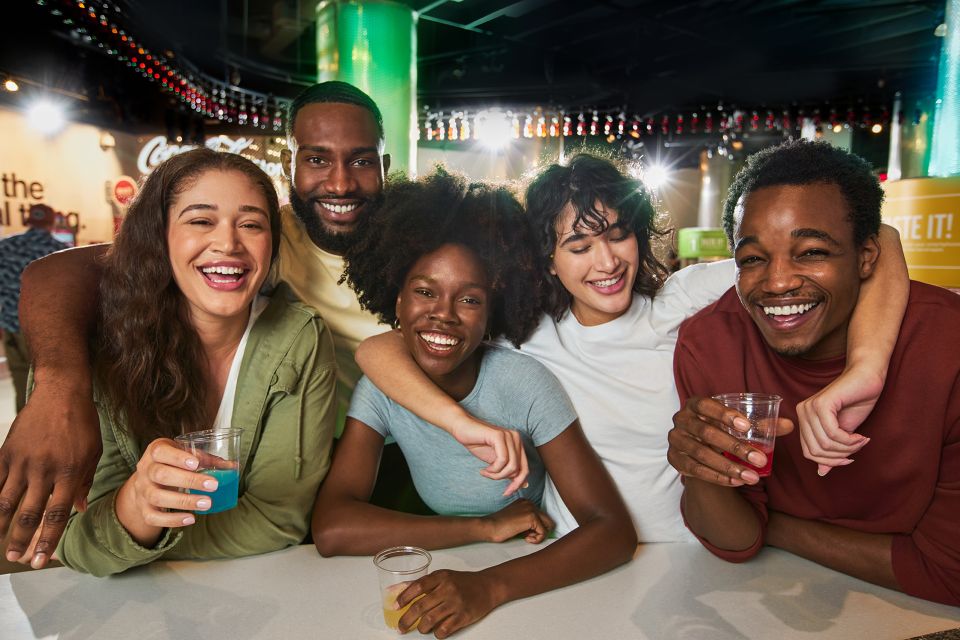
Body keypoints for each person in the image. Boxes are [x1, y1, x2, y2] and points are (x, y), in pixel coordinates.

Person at [0, 81, 524, 568]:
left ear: (384, 165)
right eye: (317, 159)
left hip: (429, 449)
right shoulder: (265, 236)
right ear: (290, 163)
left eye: (361, 161)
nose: (340, 181)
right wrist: (58, 384)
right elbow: (59, 271)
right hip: (316, 457)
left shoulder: (419, 242)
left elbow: (389, 347)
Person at [355, 152, 908, 540]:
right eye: (579, 244)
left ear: (639, 234)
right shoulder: (530, 332)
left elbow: (880, 240)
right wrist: (460, 424)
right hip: (578, 552)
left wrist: (866, 368)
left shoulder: (681, 300)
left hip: (692, 551)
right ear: (547, 259)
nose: (607, 261)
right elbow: (378, 350)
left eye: (618, 234)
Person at [313, 169, 635, 638]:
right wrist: (481, 528)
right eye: (425, 292)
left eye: (469, 299)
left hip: (534, 581)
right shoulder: (383, 388)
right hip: (447, 571)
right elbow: (332, 528)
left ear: (491, 313)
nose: (443, 313)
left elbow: (613, 531)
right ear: (396, 298)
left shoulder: (523, 383)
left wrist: (490, 587)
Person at [668, 140, 960, 606]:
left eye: (811, 252)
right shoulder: (710, 342)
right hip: (757, 603)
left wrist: (775, 527)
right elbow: (734, 542)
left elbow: (949, 572)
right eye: (752, 259)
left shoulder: (946, 343)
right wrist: (699, 466)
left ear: (867, 256)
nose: (778, 281)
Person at [44, 148, 337, 576]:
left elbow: (279, 519)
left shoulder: (299, 339)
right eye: (201, 220)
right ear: (157, 235)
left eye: (252, 224)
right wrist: (136, 504)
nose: (228, 243)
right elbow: (72, 541)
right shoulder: (82, 344)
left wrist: (134, 530)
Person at [0, 204, 66, 412]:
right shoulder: (60, 250)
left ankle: (24, 435)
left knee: (22, 387)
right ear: (52, 221)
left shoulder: (5, 246)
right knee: (53, 387)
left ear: (29, 220)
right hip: (49, 333)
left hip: (13, 327)